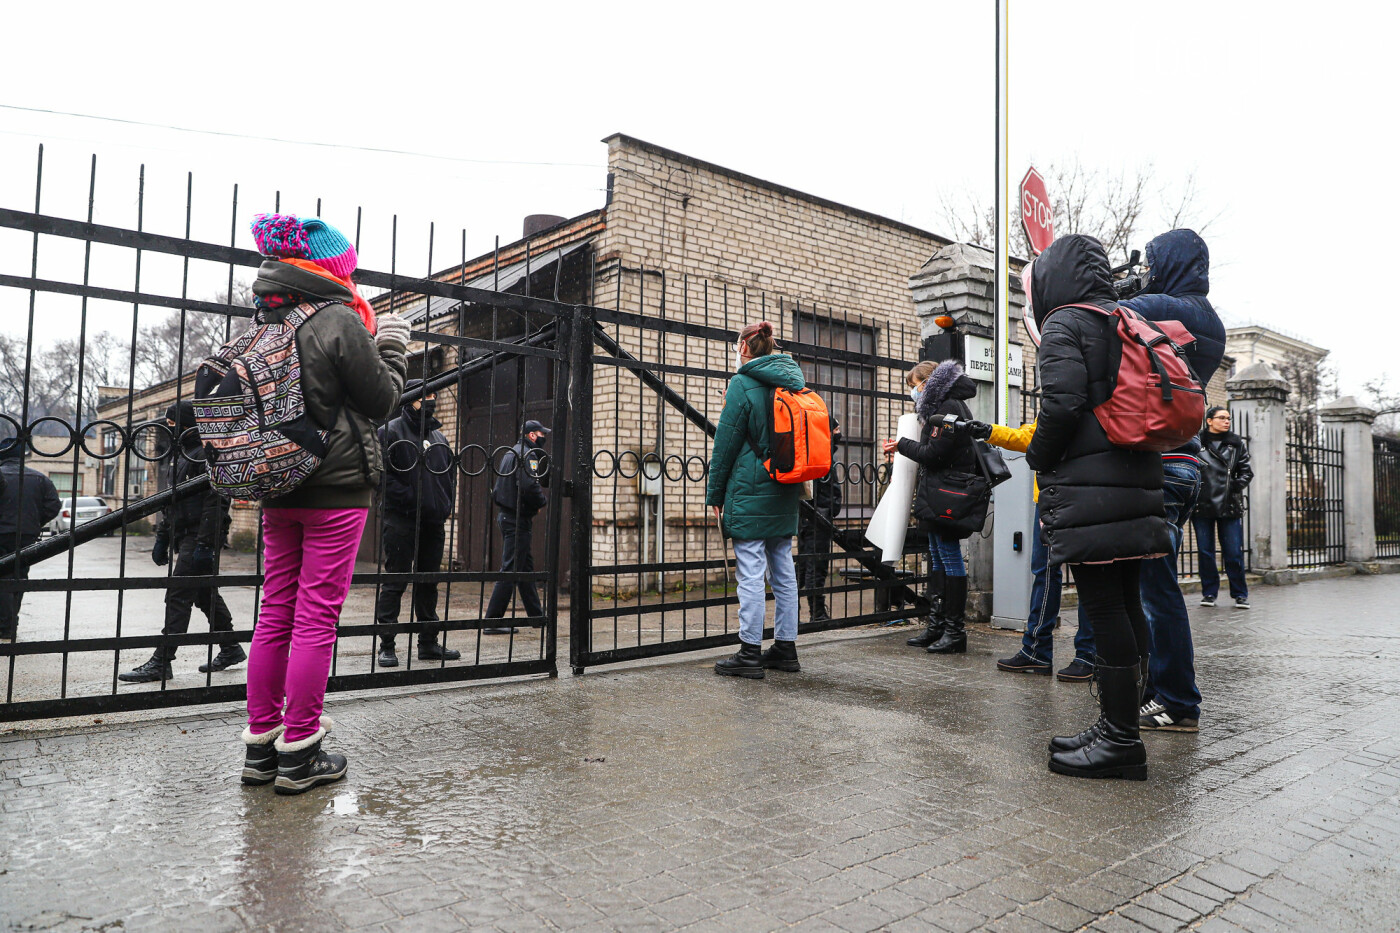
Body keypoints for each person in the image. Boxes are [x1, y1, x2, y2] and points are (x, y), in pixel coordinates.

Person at [238, 213, 408, 795]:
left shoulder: (265, 316)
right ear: (330, 269)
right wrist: (391, 349)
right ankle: (301, 751)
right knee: (316, 617)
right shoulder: (337, 318)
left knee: (275, 611)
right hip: (336, 488)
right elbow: (382, 401)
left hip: (276, 485)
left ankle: (261, 749)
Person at [1024, 233, 1172, 781]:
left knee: (1104, 607)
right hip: (1134, 477)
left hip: (1092, 484)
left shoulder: (1066, 323)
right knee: (1127, 603)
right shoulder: (1123, 318)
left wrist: (1039, 457)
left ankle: (1121, 742)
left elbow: (1061, 404)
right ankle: (1118, 726)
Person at [1120, 229, 1226, 733]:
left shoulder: (1165, 304)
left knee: (1155, 592)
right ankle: (1154, 692)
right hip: (1185, 462)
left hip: (1159, 464)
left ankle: (1178, 701)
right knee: (1149, 586)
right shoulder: (1211, 319)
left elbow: (1107, 308)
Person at [961, 418, 1096, 682]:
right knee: (1067, 573)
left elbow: (1037, 439)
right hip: (1062, 494)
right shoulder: (1072, 391)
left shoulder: (1069, 392)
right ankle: (1079, 654)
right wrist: (991, 432)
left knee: (1061, 573)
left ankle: (1072, 654)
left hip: (1063, 495)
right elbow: (1033, 435)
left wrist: (991, 432)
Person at [119, 401, 243, 683]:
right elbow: (172, 503)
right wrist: (162, 537)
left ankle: (162, 661)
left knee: (178, 594)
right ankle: (231, 647)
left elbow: (217, 501)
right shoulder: (181, 455)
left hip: (200, 537)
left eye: (172, 423)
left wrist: (205, 544)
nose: (168, 429)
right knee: (203, 594)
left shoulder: (205, 455)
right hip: (185, 535)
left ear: (187, 424)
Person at [708, 321, 805, 678]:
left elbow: (726, 445)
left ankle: (749, 652)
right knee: (783, 569)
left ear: (744, 348)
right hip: (785, 487)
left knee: (750, 571)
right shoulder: (792, 381)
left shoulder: (742, 384)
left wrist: (715, 494)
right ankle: (786, 648)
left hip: (750, 489)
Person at [883, 358, 978, 655]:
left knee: (949, 559)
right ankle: (937, 626)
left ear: (928, 383)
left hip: (948, 493)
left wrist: (902, 445)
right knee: (937, 557)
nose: (914, 392)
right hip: (939, 491)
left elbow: (935, 453)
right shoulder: (944, 406)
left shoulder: (948, 407)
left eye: (915, 386)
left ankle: (954, 631)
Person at [374, 381, 461, 666]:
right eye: (425, 396)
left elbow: (448, 475)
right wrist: (413, 498)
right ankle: (387, 644)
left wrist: (444, 504)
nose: (431, 400)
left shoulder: (438, 437)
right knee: (395, 581)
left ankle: (428, 643)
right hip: (401, 520)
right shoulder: (389, 432)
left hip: (433, 522)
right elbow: (380, 476)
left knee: (428, 582)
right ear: (409, 399)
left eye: (434, 395)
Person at [482, 420, 551, 635]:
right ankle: (492, 621)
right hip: (516, 519)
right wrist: (541, 503)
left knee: (524, 569)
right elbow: (530, 486)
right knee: (511, 568)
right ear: (532, 435)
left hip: (509, 516)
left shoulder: (512, 452)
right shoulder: (527, 455)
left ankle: (536, 617)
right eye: (541, 434)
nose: (543, 438)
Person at [0, 437, 61, 642]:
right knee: (18, 577)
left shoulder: (3, 475)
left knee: (2, 577)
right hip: (25, 535)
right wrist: (34, 523)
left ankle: (5, 625)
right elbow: (53, 505)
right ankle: (9, 623)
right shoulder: (39, 478)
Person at [1193, 406, 1253, 610]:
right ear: (1209, 420)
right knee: (1205, 552)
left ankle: (1240, 594)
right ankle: (1209, 593)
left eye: (1228, 418)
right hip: (1202, 504)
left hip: (1229, 505)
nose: (1226, 421)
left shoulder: (1236, 444)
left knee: (1233, 552)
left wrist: (1232, 487)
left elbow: (1246, 472)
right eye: (1221, 418)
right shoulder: (1196, 443)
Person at [798, 416, 842, 624]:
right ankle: (817, 613)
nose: (838, 434)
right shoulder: (819, 453)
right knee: (814, 566)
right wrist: (827, 508)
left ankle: (798, 611)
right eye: (835, 430)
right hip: (816, 517)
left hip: (813, 516)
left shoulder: (818, 451)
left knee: (806, 564)